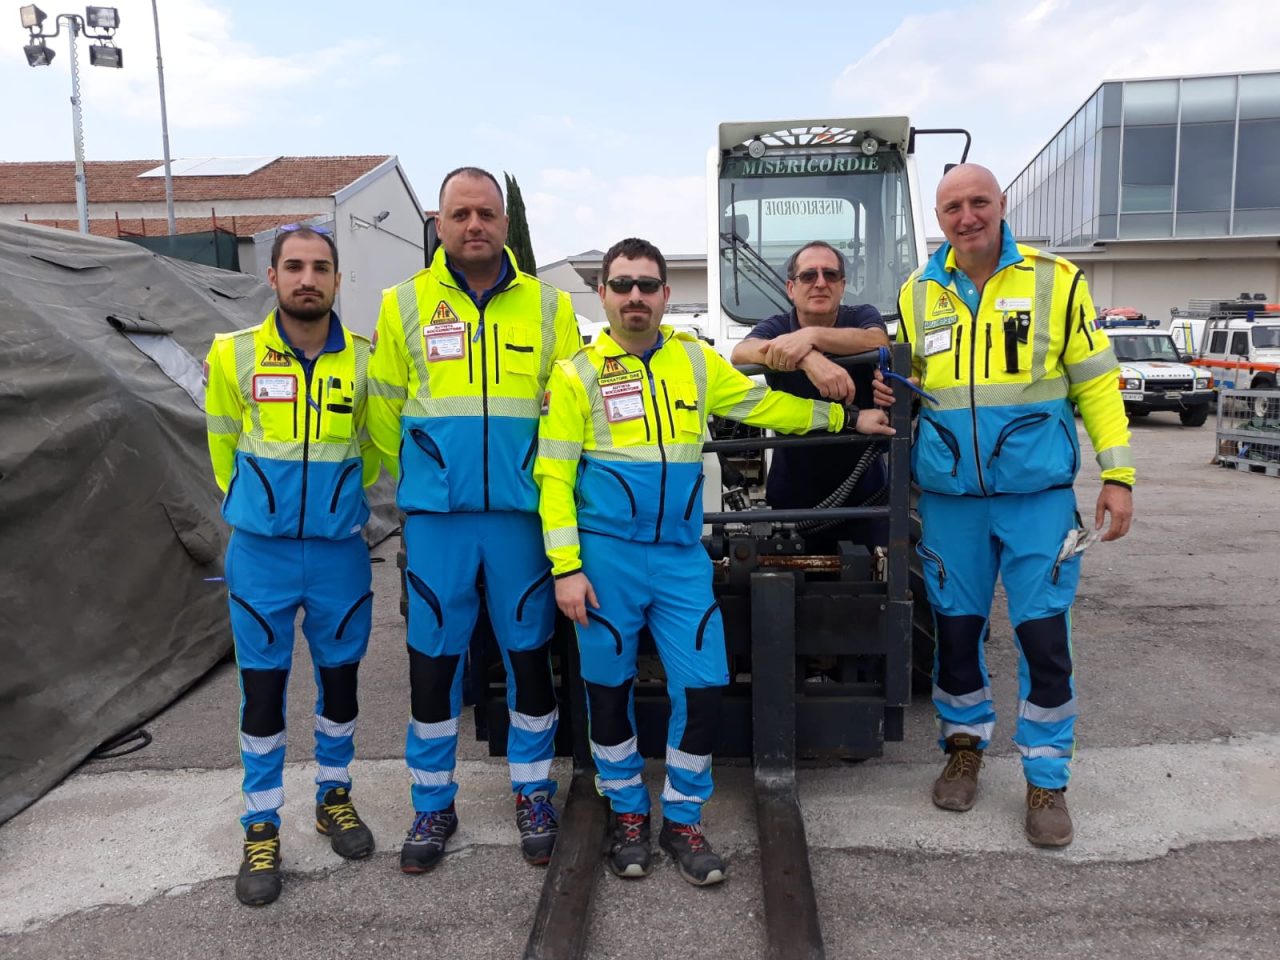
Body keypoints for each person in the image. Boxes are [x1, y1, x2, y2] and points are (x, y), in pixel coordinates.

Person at [534, 237, 893, 885]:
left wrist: (847, 415)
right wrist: (566, 567)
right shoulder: (576, 375)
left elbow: (763, 405)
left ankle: (682, 817)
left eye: (648, 285)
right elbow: (553, 477)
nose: (636, 296)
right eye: (623, 285)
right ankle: (627, 813)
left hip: (679, 558)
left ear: (666, 296)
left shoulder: (693, 363)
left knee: (701, 688)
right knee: (608, 694)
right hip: (606, 562)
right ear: (605, 295)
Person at [877, 164, 1134, 847]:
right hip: (951, 502)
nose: (968, 216)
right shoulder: (914, 293)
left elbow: (1098, 385)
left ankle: (1047, 781)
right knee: (956, 636)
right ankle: (964, 748)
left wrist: (1120, 473)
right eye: (953, 206)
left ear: (1001, 204)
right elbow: (909, 386)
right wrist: (887, 393)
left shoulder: (1056, 281)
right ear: (939, 217)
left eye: (978, 202)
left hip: (1037, 502)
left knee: (1044, 641)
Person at [367, 167, 583, 873]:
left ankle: (532, 792)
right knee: (433, 665)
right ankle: (432, 803)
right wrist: (412, 485)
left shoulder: (551, 309)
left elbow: (570, 417)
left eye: (486, 212)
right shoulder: (402, 305)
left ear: (506, 222)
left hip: (522, 520)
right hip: (439, 521)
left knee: (530, 660)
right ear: (440, 221)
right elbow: (381, 415)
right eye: (461, 213)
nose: (475, 225)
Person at [204, 224, 381, 907]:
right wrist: (259, 507)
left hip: (338, 554)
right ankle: (260, 825)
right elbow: (222, 442)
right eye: (295, 266)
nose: (309, 278)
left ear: (338, 281)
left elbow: (372, 449)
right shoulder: (233, 354)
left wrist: (331, 509)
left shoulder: (363, 362)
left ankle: (333, 796)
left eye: (322, 267)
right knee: (264, 693)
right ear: (272, 277)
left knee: (340, 687)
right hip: (262, 554)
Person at [730, 241, 891, 548]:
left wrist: (810, 336)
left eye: (830, 275)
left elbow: (878, 339)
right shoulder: (776, 325)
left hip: (866, 493)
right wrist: (807, 358)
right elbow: (740, 353)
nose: (820, 283)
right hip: (794, 494)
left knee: (873, 587)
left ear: (843, 286)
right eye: (808, 276)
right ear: (791, 288)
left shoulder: (861, 316)